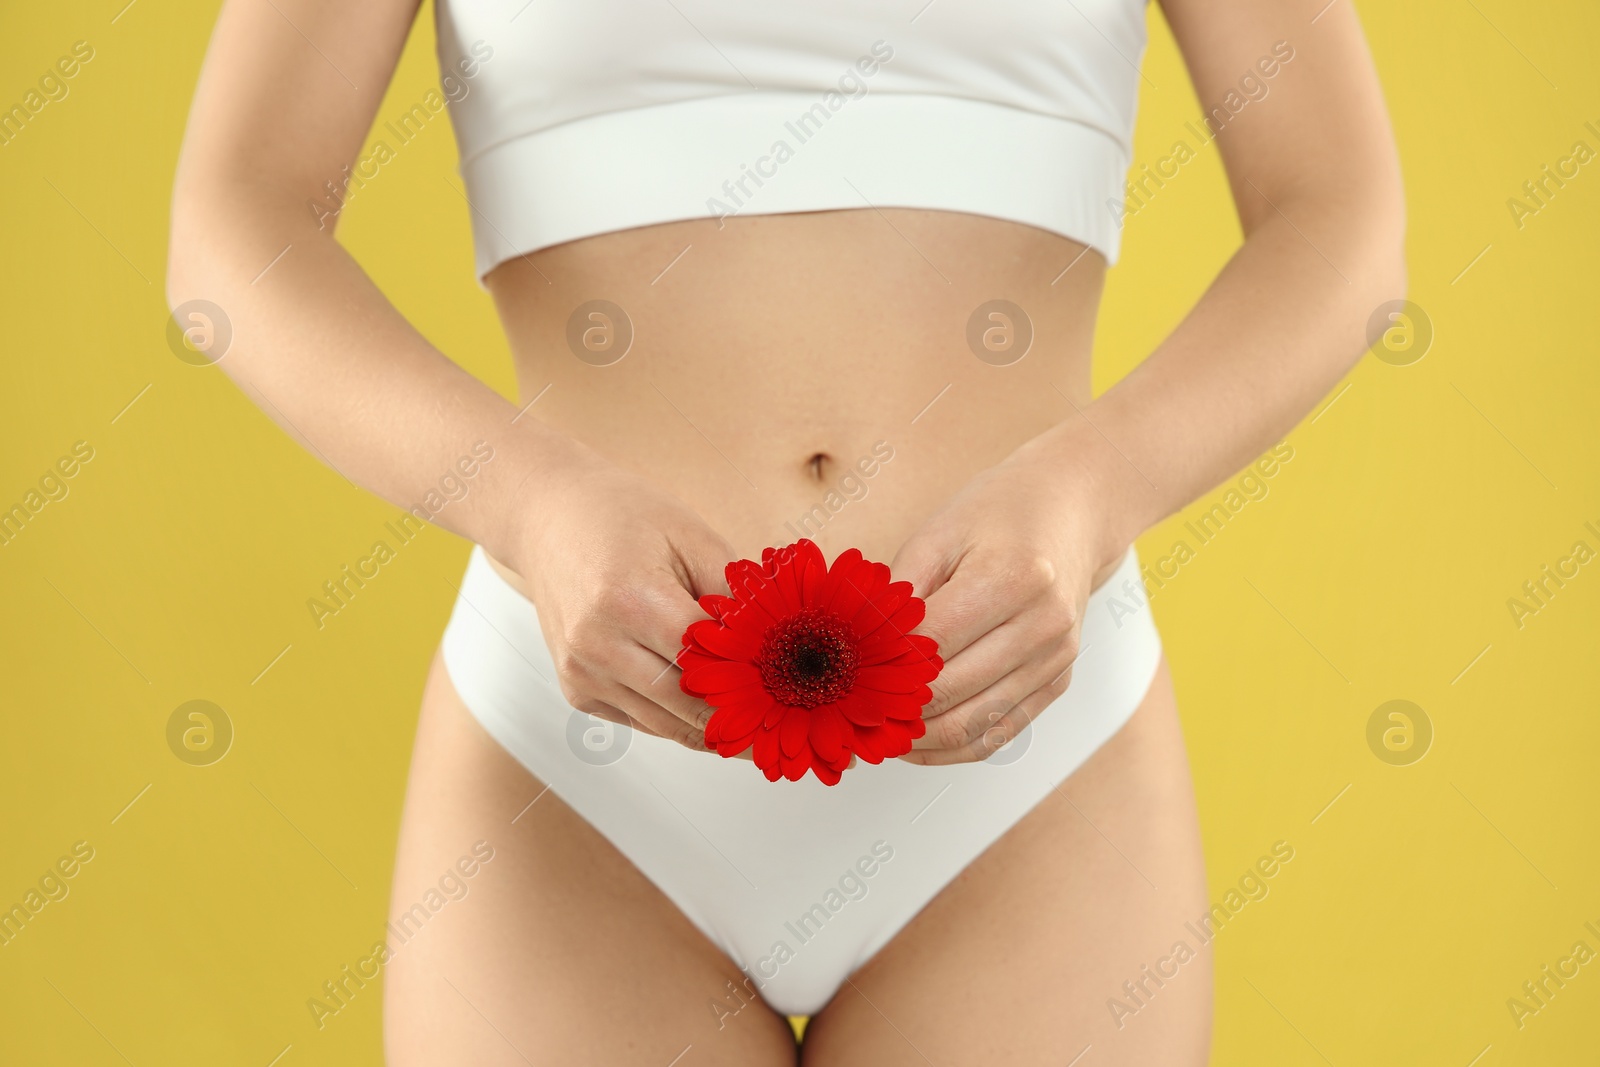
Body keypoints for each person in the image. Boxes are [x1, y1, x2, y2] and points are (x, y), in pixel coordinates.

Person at [168, 0, 1403, 1062]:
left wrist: (1092, 492)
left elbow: (1338, 212)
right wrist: (531, 503)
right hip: (578, 753)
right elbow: (232, 229)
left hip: (1022, 749)